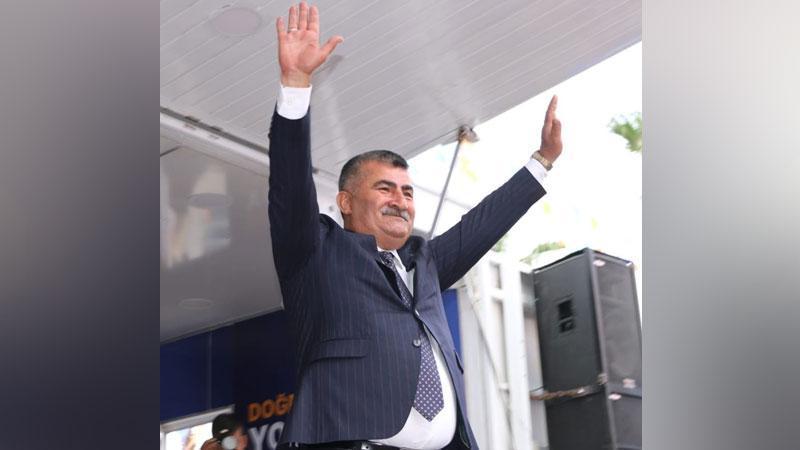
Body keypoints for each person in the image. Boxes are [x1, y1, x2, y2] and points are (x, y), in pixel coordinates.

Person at [268, 3, 562, 449]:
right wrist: (295, 85)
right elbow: (290, 185)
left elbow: (482, 224)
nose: (400, 201)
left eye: (407, 192)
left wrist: (542, 161)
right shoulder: (315, 252)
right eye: (384, 188)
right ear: (345, 202)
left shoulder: (423, 262)